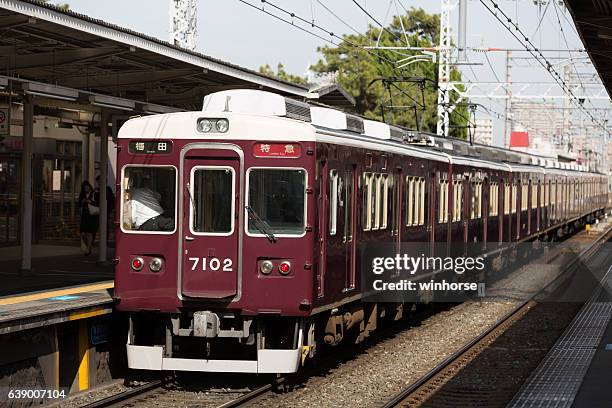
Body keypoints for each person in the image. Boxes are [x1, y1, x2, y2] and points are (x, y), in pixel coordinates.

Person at [78, 180, 99, 255]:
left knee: (89, 233)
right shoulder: (82, 195)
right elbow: (79, 205)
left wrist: (90, 202)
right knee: (83, 233)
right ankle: (89, 246)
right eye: (84, 188)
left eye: (87, 187)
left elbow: (99, 203)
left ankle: (88, 249)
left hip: (92, 215)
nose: (85, 189)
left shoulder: (94, 194)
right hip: (84, 216)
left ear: (89, 187)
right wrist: (82, 202)